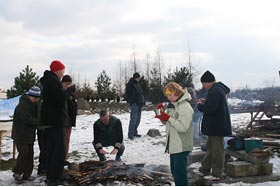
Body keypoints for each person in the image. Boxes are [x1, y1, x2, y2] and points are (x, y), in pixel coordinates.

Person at [155, 82, 194, 186]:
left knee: (180, 174)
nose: (168, 97)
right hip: (173, 145)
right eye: (167, 95)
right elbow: (165, 121)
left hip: (182, 146)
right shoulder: (173, 106)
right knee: (175, 172)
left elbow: (183, 127)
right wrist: (159, 111)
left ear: (177, 93)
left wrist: (168, 118)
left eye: (170, 95)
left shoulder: (185, 107)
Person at [197, 70, 232, 179]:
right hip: (216, 125)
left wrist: (200, 106)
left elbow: (211, 109)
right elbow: (213, 105)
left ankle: (217, 172)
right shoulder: (216, 90)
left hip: (216, 126)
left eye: (203, 84)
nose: (203, 86)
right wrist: (206, 101)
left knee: (217, 150)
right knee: (211, 148)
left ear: (207, 82)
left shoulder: (215, 91)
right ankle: (205, 168)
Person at [40, 60, 68, 185]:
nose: (63, 73)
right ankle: (55, 176)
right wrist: (67, 92)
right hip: (55, 121)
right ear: (57, 70)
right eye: (62, 70)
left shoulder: (48, 81)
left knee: (51, 149)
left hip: (50, 121)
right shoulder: (53, 82)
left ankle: (52, 175)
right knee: (59, 149)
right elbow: (60, 100)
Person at [11, 86, 41, 184]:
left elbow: (37, 116)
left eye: (37, 98)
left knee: (30, 154)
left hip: (29, 134)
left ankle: (27, 174)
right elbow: (26, 119)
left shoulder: (35, 105)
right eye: (35, 98)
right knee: (24, 153)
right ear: (30, 96)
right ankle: (17, 172)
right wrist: (38, 121)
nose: (36, 100)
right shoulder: (22, 105)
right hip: (20, 133)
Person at [61, 75, 78, 165]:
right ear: (62, 83)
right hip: (62, 121)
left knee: (67, 140)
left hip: (69, 121)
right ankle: (60, 159)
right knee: (61, 141)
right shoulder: (61, 93)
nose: (68, 86)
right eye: (66, 84)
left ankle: (65, 158)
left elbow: (73, 107)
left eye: (69, 84)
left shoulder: (71, 95)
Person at [126, 72, 145, 140]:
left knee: (138, 120)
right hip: (134, 104)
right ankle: (130, 134)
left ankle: (134, 132)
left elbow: (141, 94)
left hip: (139, 104)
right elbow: (128, 94)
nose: (139, 78)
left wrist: (143, 101)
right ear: (136, 77)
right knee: (133, 119)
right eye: (138, 77)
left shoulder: (138, 84)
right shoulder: (130, 84)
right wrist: (131, 101)